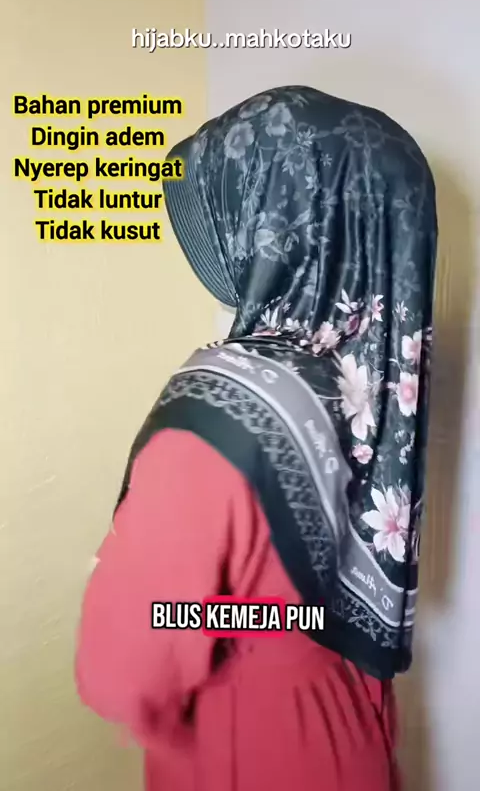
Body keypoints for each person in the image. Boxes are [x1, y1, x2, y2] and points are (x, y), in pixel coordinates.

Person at [75, 85, 437, 791]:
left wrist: (121, 576)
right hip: (353, 724)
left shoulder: (225, 402)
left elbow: (123, 669)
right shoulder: (375, 368)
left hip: (252, 743)